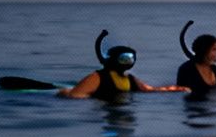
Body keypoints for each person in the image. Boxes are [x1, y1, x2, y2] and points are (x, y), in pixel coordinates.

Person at [58, 41, 186, 98]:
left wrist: (175, 89)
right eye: (124, 59)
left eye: (131, 59)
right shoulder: (98, 77)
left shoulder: (130, 79)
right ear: (114, 59)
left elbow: (150, 90)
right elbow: (75, 95)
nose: (128, 62)